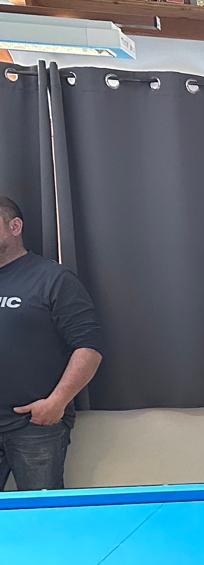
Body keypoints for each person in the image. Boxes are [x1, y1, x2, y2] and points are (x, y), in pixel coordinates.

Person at [0, 195, 103, 491]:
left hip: (33, 427)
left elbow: (89, 349)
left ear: (15, 226)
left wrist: (56, 402)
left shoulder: (53, 278)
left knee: (41, 512)